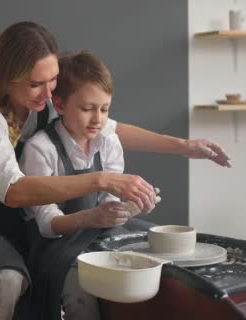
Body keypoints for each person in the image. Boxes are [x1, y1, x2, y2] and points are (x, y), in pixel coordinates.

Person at [0, 21, 230, 320]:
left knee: (147, 255)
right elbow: (15, 191)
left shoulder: (44, 98)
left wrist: (184, 146)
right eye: (35, 83)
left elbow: (109, 129)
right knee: (7, 280)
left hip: (27, 220)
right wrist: (101, 181)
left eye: (52, 80)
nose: (47, 92)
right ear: (6, 79)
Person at [20, 51, 163, 320]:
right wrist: (92, 217)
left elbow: (108, 200)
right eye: (87, 109)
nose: (98, 119)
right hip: (54, 247)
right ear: (60, 105)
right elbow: (47, 224)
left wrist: (128, 208)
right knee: (81, 289)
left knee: (155, 261)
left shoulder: (107, 141)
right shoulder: (40, 149)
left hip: (98, 233)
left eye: (105, 109)